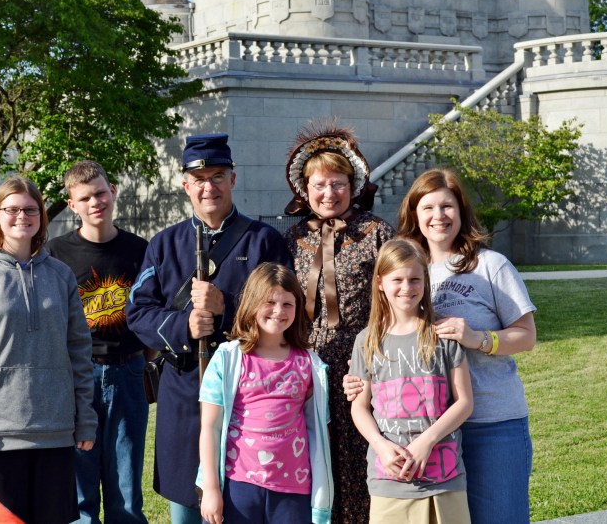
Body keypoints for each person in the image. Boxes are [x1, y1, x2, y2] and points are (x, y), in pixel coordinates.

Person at [345, 168, 537, 524]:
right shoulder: (409, 266)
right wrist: (359, 380)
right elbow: (381, 343)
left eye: (447, 206)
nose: (438, 216)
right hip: (424, 432)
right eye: (428, 207)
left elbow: (527, 335)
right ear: (414, 214)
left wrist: (479, 338)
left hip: (490, 423)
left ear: (461, 211)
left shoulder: (489, 265)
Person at [126, 133, 293, 524]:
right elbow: (138, 311)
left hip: (250, 391)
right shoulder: (164, 244)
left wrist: (227, 308)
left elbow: (288, 310)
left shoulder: (265, 240)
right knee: (186, 502)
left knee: (244, 501)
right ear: (185, 184)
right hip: (186, 390)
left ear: (233, 179)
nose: (209, 187)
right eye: (199, 179)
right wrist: (184, 324)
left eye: (218, 176)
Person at [0, 175, 96, 523]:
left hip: (55, 434)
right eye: (12, 209)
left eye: (30, 210)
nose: (21, 216)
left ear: (41, 216)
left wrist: (85, 419)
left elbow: (79, 352)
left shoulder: (60, 276)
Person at [283, 122, 395, 524]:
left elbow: (396, 299)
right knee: (316, 457)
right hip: (308, 360)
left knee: (360, 456)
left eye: (338, 184)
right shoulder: (293, 237)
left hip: (363, 359)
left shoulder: (376, 232)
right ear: (305, 189)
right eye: (319, 184)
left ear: (353, 185)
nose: (329, 193)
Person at [46, 161, 151, 524]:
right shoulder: (55, 254)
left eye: (101, 193)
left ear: (113, 192)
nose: (96, 202)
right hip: (78, 376)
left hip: (128, 372)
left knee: (126, 492)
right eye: (85, 197)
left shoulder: (140, 249)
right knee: (80, 495)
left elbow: (153, 312)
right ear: (72, 205)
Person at [197, 262, 333, 524]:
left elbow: (318, 427)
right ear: (252, 303)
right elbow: (210, 428)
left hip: (294, 490)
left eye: (287, 304)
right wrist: (212, 489)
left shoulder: (310, 364)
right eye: (269, 302)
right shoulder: (227, 359)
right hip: (238, 486)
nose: (278, 311)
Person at [349, 238, 473, 524]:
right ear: (380, 283)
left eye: (415, 279)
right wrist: (379, 444)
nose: (407, 288)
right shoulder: (366, 341)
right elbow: (359, 407)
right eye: (398, 280)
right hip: (389, 480)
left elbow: (464, 402)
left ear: (425, 281)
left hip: (445, 478)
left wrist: (426, 442)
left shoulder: (443, 334)